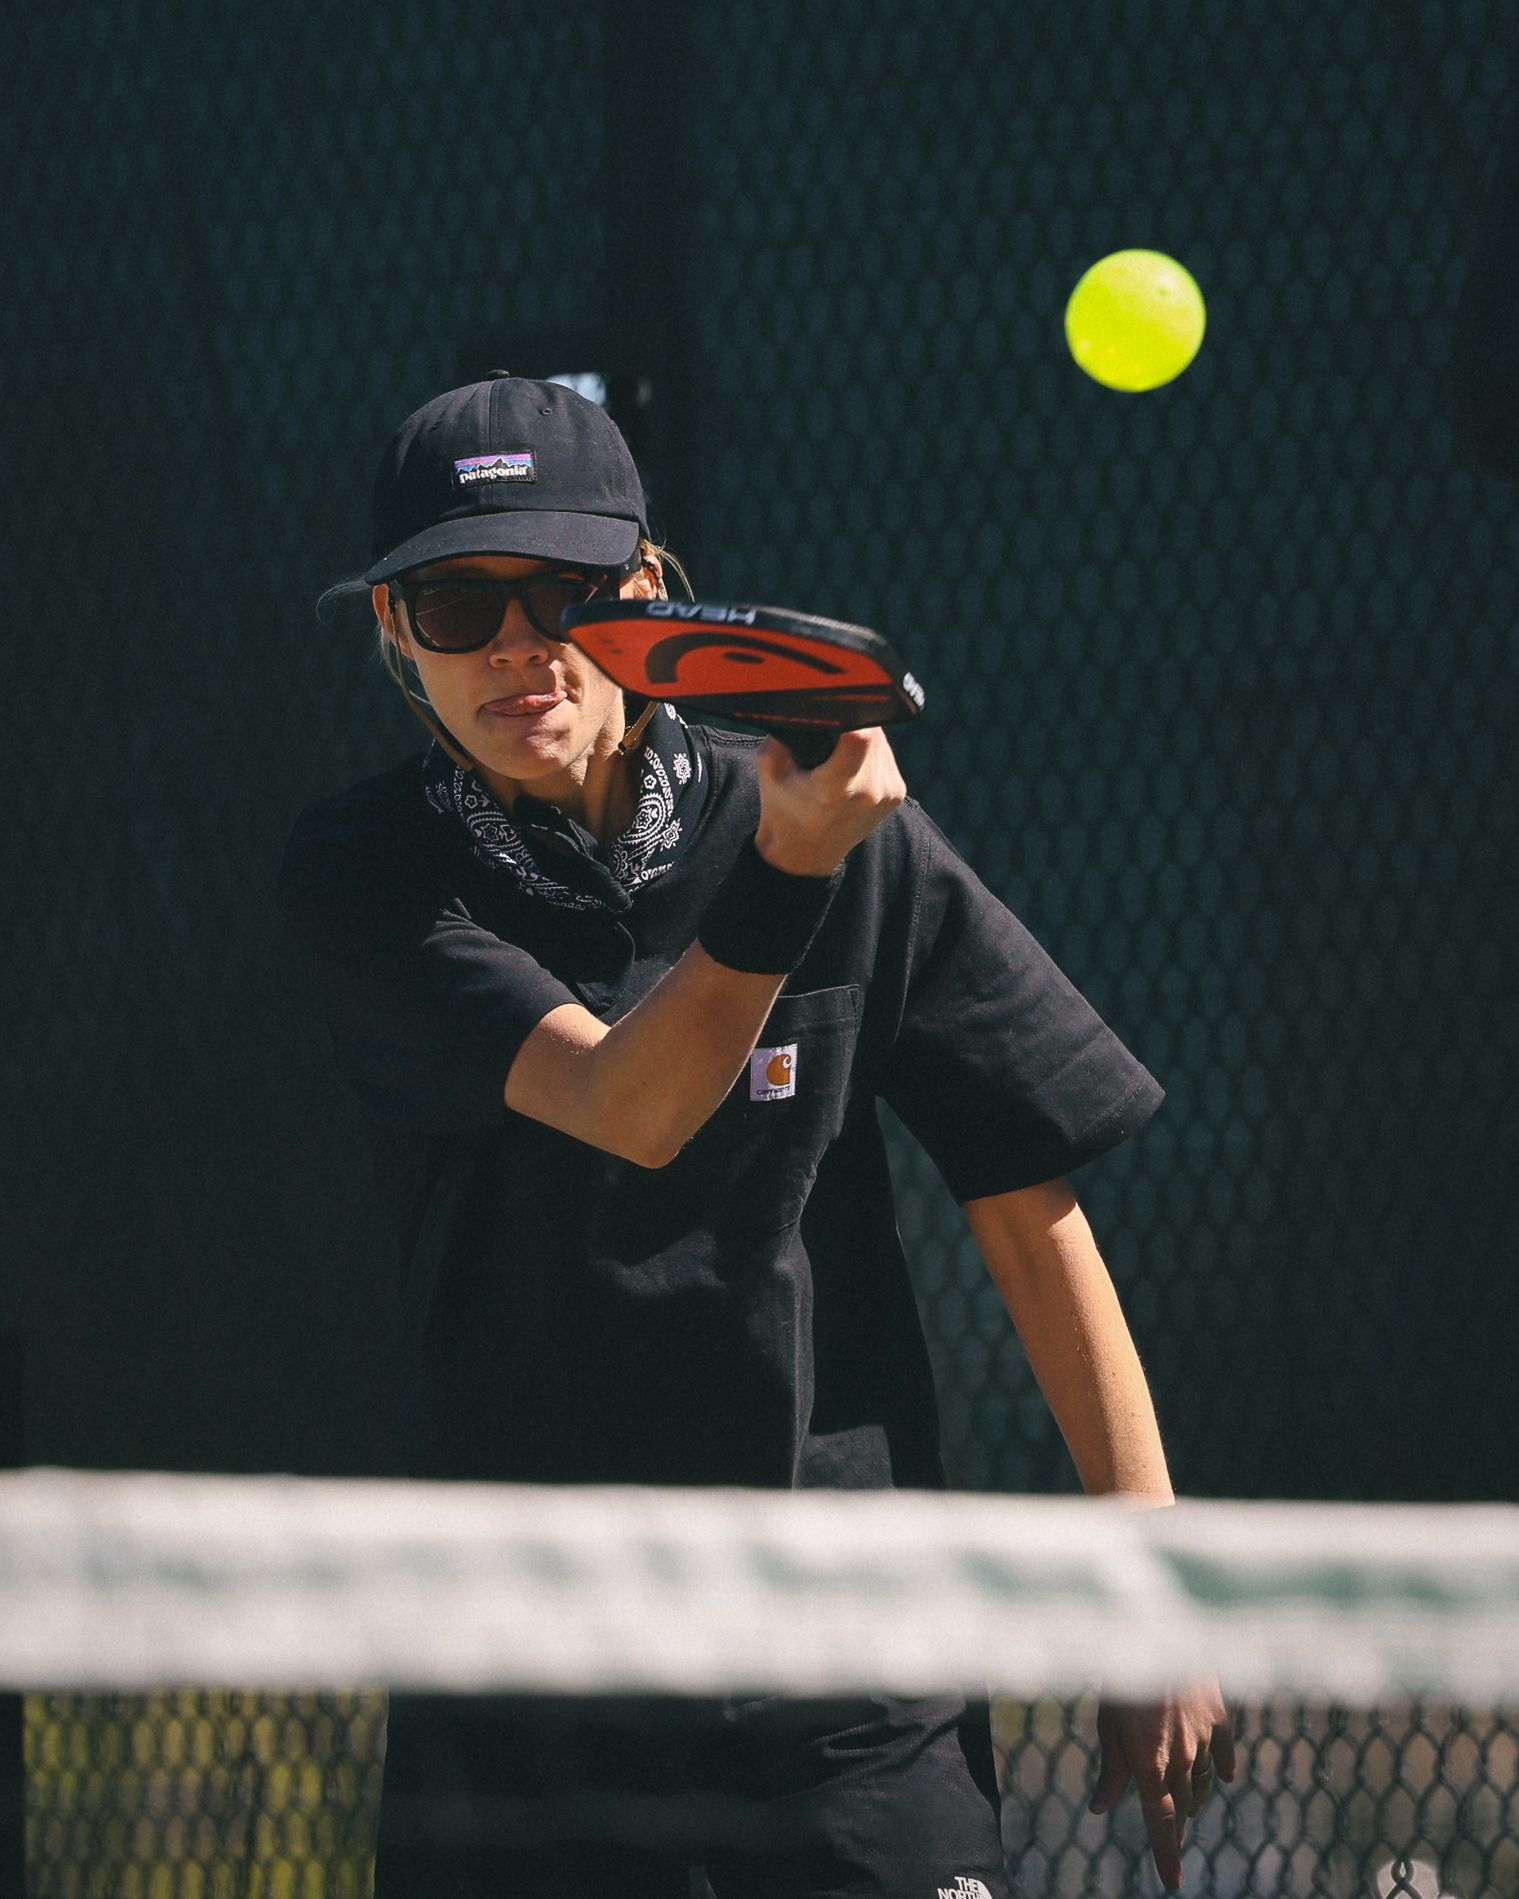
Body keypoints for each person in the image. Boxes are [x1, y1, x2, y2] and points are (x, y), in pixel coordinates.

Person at [279, 371, 1233, 1897]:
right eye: (458, 603)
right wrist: (788, 872)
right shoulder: (366, 876)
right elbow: (626, 1105)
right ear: (399, 634)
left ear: (651, 596)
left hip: (850, 1653)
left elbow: (1019, 1188)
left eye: (564, 588)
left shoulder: (845, 837)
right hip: (522, 1669)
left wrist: (1155, 1584)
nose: (517, 639)